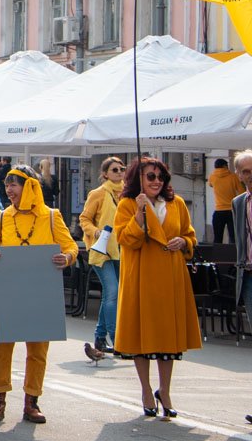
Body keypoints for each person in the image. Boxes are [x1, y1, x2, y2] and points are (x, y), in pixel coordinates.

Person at [0, 164, 78, 424]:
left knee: (37, 349)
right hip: (5, 289)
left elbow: (70, 247)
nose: (9, 190)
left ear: (30, 186)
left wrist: (66, 258)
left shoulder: (51, 216)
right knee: (1, 348)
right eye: (7, 185)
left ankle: (31, 402)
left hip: (40, 291)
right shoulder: (2, 217)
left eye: (14, 184)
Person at [113, 158, 201, 420]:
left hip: (171, 276)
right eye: (150, 176)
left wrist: (183, 241)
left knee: (167, 337)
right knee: (141, 335)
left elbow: (190, 235)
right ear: (138, 179)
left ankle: (166, 391)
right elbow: (124, 239)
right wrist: (140, 215)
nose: (157, 181)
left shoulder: (177, 203)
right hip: (141, 275)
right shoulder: (128, 204)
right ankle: (146, 391)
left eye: (161, 176)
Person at [80, 157, 125, 359]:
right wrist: (95, 231)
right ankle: (117, 339)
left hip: (121, 249)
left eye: (122, 169)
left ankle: (99, 337)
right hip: (101, 250)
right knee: (113, 292)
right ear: (105, 174)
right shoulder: (98, 193)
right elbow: (84, 219)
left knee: (111, 294)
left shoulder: (127, 194)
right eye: (115, 169)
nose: (119, 172)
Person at [232, 151, 252, 342]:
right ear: (239, 175)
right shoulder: (238, 203)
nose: (251, 175)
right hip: (248, 274)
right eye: (246, 171)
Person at [209, 157, 244, 243]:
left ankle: (217, 252)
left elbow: (210, 185)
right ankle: (233, 252)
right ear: (224, 166)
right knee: (234, 238)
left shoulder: (212, 177)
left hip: (218, 211)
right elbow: (242, 192)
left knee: (217, 238)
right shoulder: (233, 177)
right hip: (232, 211)